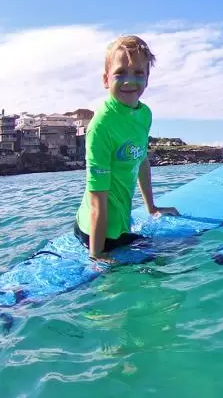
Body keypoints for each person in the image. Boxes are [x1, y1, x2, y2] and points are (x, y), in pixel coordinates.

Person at [75, 35, 179, 269]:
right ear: (105, 79)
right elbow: (97, 195)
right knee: (166, 263)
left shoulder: (144, 114)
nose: (129, 81)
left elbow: (141, 159)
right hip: (99, 234)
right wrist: (97, 255)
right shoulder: (101, 126)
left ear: (147, 79)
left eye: (138, 73)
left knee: (182, 248)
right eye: (120, 73)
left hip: (120, 224)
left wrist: (152, 207)